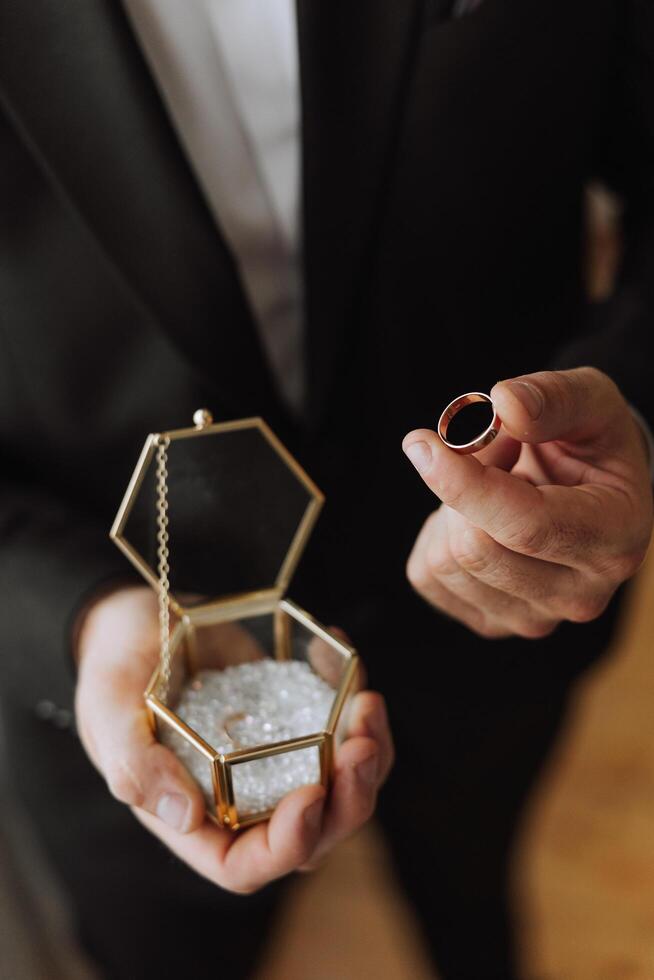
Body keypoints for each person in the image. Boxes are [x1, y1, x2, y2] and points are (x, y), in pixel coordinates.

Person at [0, 1, 652, 977]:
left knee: (475, 900)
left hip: (501, 608)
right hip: (116, 684)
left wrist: (635, 405)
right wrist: (78, 618)